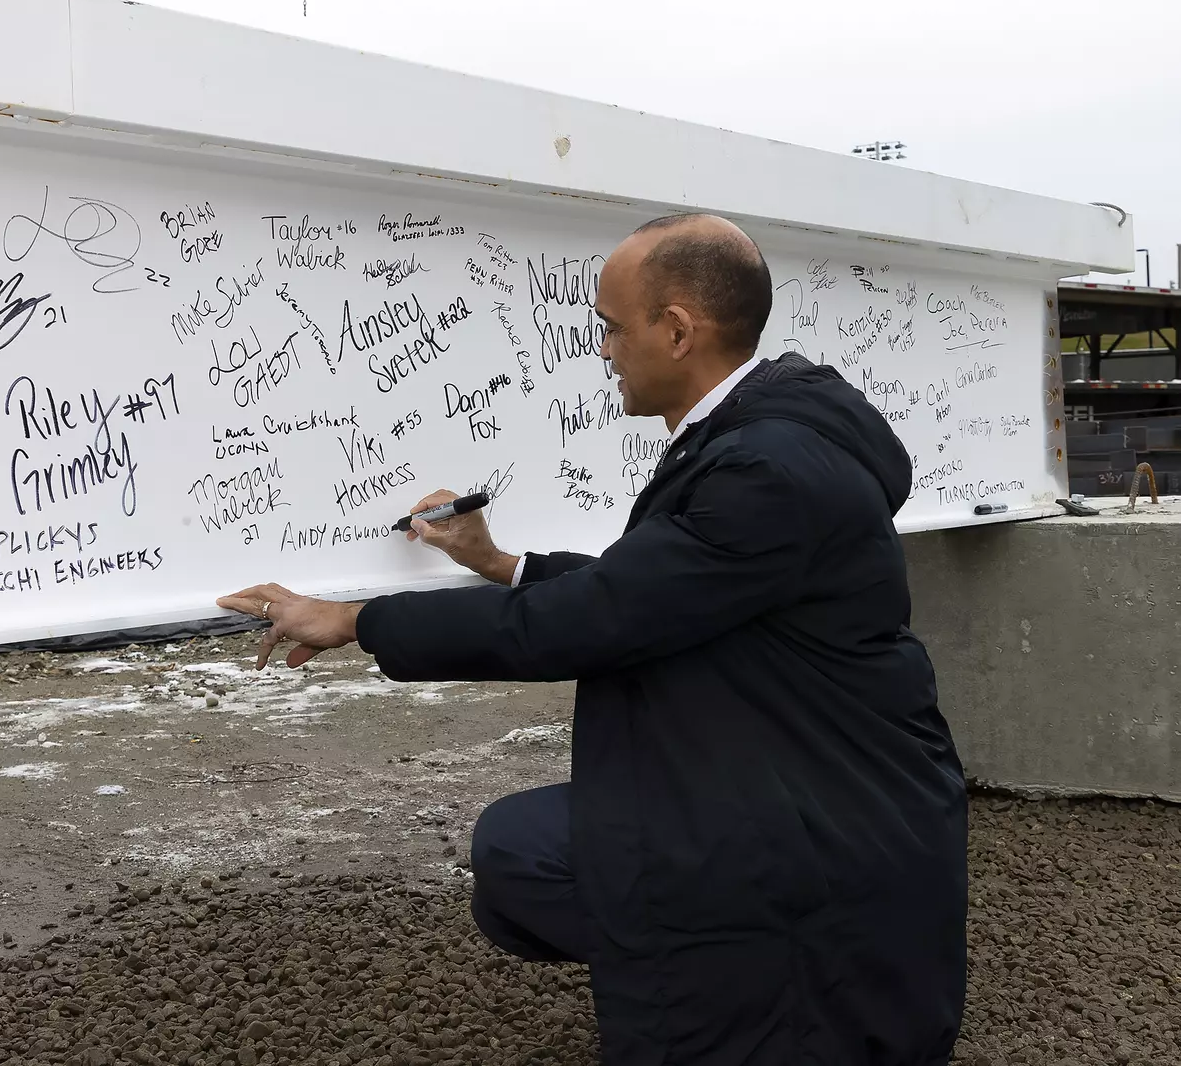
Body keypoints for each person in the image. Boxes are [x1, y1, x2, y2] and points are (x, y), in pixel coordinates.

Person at [217, 213, 968, 1065]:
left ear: (677, 330)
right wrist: (498, 561)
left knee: (522, 857)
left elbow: (600, 616)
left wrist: (355, 618)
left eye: (611, 326)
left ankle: (737, 969)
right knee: (537, 856)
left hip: (821, 816)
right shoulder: (767, 438)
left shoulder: (768, 470)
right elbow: (661, 586)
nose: (602, 349)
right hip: (810, 774)